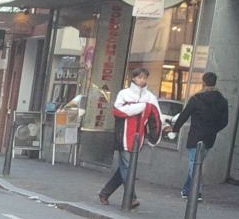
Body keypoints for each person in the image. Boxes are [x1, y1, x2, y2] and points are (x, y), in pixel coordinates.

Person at [98, 66, 161, 210]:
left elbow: (155, 118)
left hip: (137, 139)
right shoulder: (124, 94)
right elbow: (117, 111)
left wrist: (153, 137)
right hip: (124, 137)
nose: (142, 80)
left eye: (144, 77)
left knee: (124, 169)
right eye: (139, 77)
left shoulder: (150, 97)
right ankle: (131, 198)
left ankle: (104, 193)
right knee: (127, 167)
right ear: (133, 78)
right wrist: (140, 107)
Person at [170, 72, 229, 200]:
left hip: (196, 136)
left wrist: (175, 129)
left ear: (203, 82)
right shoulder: (222, 101)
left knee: (194, 164)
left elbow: (184, 115)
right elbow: (225, 122)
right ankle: (186, 190)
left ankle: (197, 191)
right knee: (197, 163)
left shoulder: (196, 99)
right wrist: (214, 129)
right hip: (210, 137)